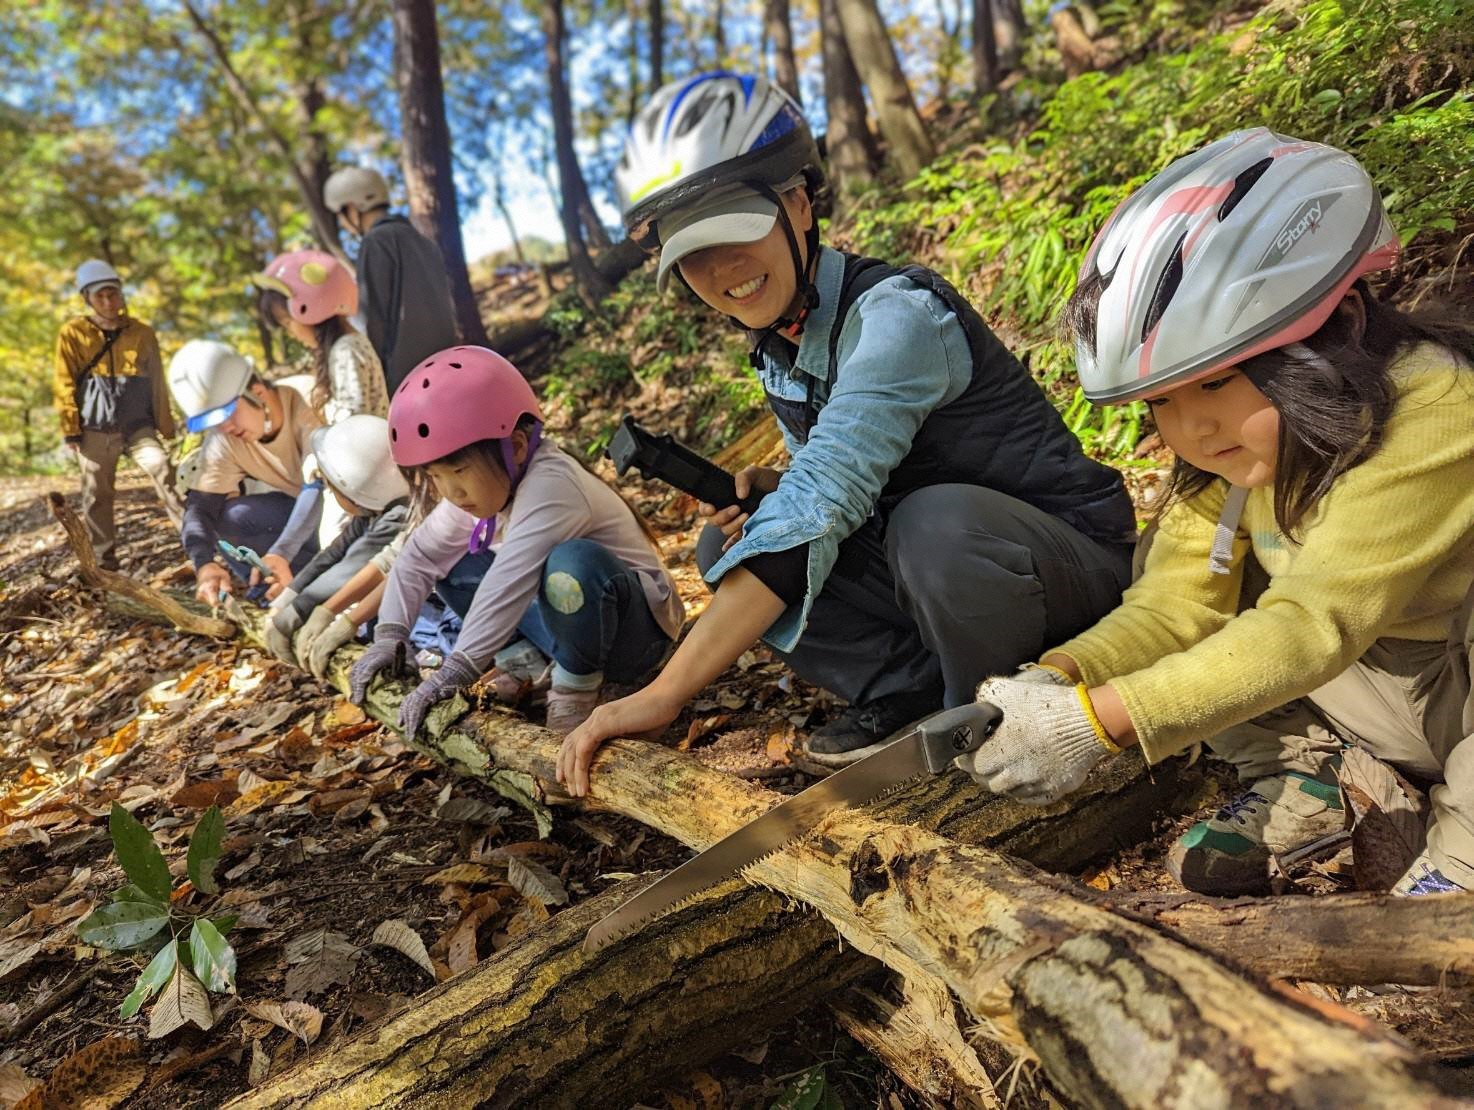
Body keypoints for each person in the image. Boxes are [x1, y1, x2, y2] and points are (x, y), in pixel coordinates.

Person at [556, 72, 1135, 794]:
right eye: (692, 255)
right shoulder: (780, 347)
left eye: (737, 230)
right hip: (957, 575)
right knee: (730, 543)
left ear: (799, 205)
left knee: (931, 525)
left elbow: (824, 504)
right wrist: (777, 489)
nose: (721, 269)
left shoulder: (896, 318)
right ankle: (914, 690)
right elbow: (829, 487)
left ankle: (987, 721)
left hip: (1076, 570)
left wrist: (662, 695)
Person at [950, 129, 1474, 897]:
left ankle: (1463, 856)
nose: (1191, 429)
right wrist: (1060, 679)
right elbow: (1172, 607)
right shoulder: (1232, 459)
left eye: (1218, 382)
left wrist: (1102, 723)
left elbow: (1312, 624)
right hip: (1377, 697)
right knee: (1182, 569)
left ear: (1340, 324)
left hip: (1453, 694)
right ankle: (1309, 777)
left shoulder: (1437, 408)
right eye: (1161, 401)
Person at [346, 346, 683, 739]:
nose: (451, 491)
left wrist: (454, 673)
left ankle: (575, 688)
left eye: (459, 470)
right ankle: (525, 664)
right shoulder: (481, 492)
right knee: (449, 561)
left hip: (635, 641)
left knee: (573, 563)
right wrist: (389, 636)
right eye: (436, 476)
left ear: (518, 447)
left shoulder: (552, 485)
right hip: (572, 628)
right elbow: (417, 558)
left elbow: (507, 581)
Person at [167, 340, 325, 605]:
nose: (225, 427)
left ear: (257, 392)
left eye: (228, 413)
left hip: (348, 510)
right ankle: (279, 594)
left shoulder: (310, 399)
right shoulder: (224, 439)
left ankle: (331, 587)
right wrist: (204, 563)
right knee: (232, 516)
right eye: (214, 421)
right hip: (300, 514)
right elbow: (200, 508)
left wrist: (281, 553)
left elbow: (317, 486)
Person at [53, 259, 184, 569]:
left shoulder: (142, 333)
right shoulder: (73, 333)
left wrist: (166, 426)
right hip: (95, 426)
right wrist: (71, 429)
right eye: (100, 296)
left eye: (112, 294)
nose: (108, 302)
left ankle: (196, 541)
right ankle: (104, 563)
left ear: (121, 294)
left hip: (138, 425)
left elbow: (157, 381)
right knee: (97, 491)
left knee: (164, 469)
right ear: (87, 298)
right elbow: (63, 382)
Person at [263, 414, 411, 674]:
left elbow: (351, 568)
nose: (329, 490)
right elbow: (333, 554)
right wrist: (287, 599)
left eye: (333, 486)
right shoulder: (373, 508)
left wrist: (301, 613)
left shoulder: (397, 516)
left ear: (353, 490)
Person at [321, 167, 458, 393]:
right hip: (449, 365)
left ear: (352, 208)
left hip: (409, 382)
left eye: (340, 215)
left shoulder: (375, 242)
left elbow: (371, 321)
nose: (343, 223)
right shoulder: (422, 240)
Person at [253, 250, 388, 423]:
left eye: (288, 323)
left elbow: (352, 426)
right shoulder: (348, 346)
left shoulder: (345, 351)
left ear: (310, 308)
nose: (291, 334)